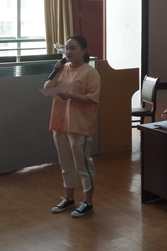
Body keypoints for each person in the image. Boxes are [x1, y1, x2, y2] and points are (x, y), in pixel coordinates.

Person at [43, 35, 101, 217]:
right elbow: (48, 88)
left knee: (83, 165)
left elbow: (92, 98)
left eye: (73, 48)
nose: (68, 52)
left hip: (79, 124)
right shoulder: (63, 69)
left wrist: (71, 96)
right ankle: (68, 198)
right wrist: (56, 71)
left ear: (84, 51)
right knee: (66, 164)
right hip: (60, 122)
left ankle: (88, 202)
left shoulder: (90, 72)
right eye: (67, 48)